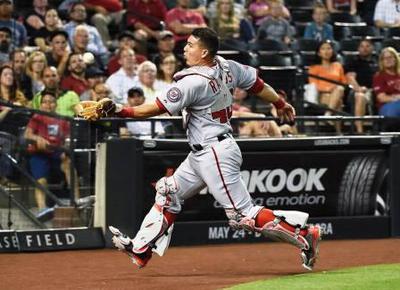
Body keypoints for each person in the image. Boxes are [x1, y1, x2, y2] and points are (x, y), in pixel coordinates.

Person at [101, 28, 321, 270]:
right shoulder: (227, 66)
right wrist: (279, 102)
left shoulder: (194, 81)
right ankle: (141, 249)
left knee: (243, 215)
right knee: (168, 191)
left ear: (204, 52)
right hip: (204, 152)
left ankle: (306, 235)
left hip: (214, 152)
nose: (185, 48)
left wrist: (119, 110)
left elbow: (154, 108)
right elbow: (258, 85)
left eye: (191, 44)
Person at [24, 90, 79, 210]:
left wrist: (66, 147)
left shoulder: (63, 119)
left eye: (51, 102)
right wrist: (37, 138)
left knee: (69, 165)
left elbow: (68, 138)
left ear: (56, 104)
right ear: (40, 105)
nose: (48, 105)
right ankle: (42, 209)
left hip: (56, 153)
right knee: (41, 180)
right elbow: (27, 134)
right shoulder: (36, 117)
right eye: (45, 102)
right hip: (39, 153)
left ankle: (76, 202)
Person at [308, 40, 367, 133]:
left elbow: (343, 82)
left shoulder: (337, 66)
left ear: (332, 51)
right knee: (338, 101)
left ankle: (328, 115)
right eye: (323, 49)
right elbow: (313, 85)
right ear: (319, 53)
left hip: (338, 93)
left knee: (339, 92)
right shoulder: (314, 68)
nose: (326, 51)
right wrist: (329, 88)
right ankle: (338, 132)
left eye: (329, 48)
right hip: (322, 95)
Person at [373, 47, 400, 117]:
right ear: (382, 62)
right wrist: (397, 98)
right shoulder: (379, 76)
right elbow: (382, 98)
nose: (388, 60)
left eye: (390, 57)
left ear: (396, 59)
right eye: (385, 58)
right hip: (387, 106)